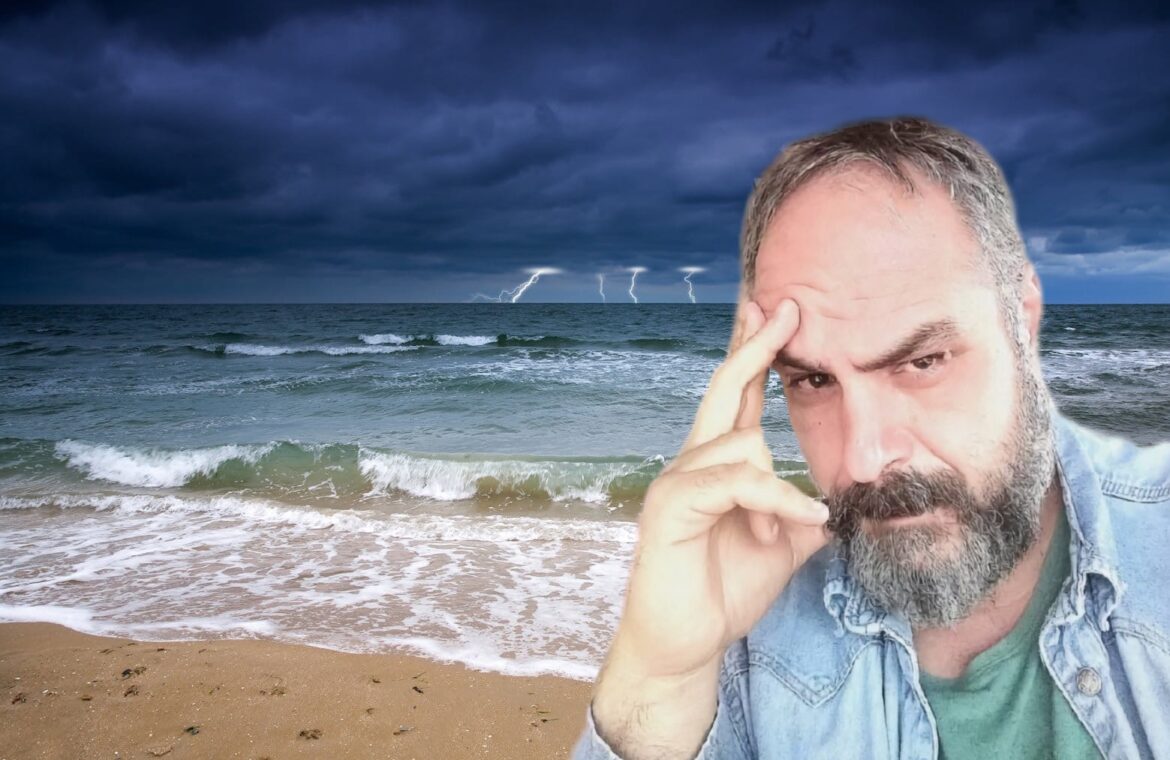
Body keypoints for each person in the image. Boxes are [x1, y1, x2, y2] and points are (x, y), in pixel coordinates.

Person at [573, 117, 1170, 759]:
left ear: (1021, 318)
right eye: (813, 381)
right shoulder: (741, 632)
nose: (863, 459)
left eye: (923, 362)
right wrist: (660, 677)